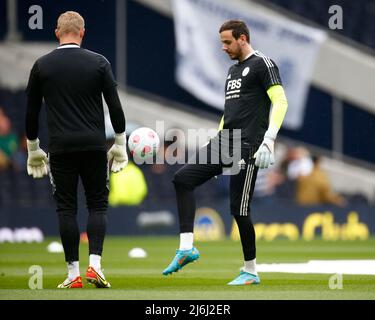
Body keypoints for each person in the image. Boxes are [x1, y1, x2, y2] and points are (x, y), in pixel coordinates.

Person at [162, 20, 288, 285]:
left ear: (243, 39)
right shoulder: (233, 71)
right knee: (182, 179)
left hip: (248, 145)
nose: (223, 47)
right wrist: (217, 145)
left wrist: (269, 139)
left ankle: (251, 271)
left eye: (227, 42)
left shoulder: (263, 64)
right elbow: (229, 113)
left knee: (239, 210)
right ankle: (186, 248)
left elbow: (280, 101)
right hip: (225, 143)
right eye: (222, 42)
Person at [25, 11, 128, 289]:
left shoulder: (42, 65)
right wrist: (120, 143)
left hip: (60, 148)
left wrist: (33, 148)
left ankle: (74, 274)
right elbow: (115, 107)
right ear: (82, 33)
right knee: (97, 204)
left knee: (66, 208)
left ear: (57, 32)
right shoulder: (99, 62)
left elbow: (32, 112)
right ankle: (95, 266)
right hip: (94, 146)